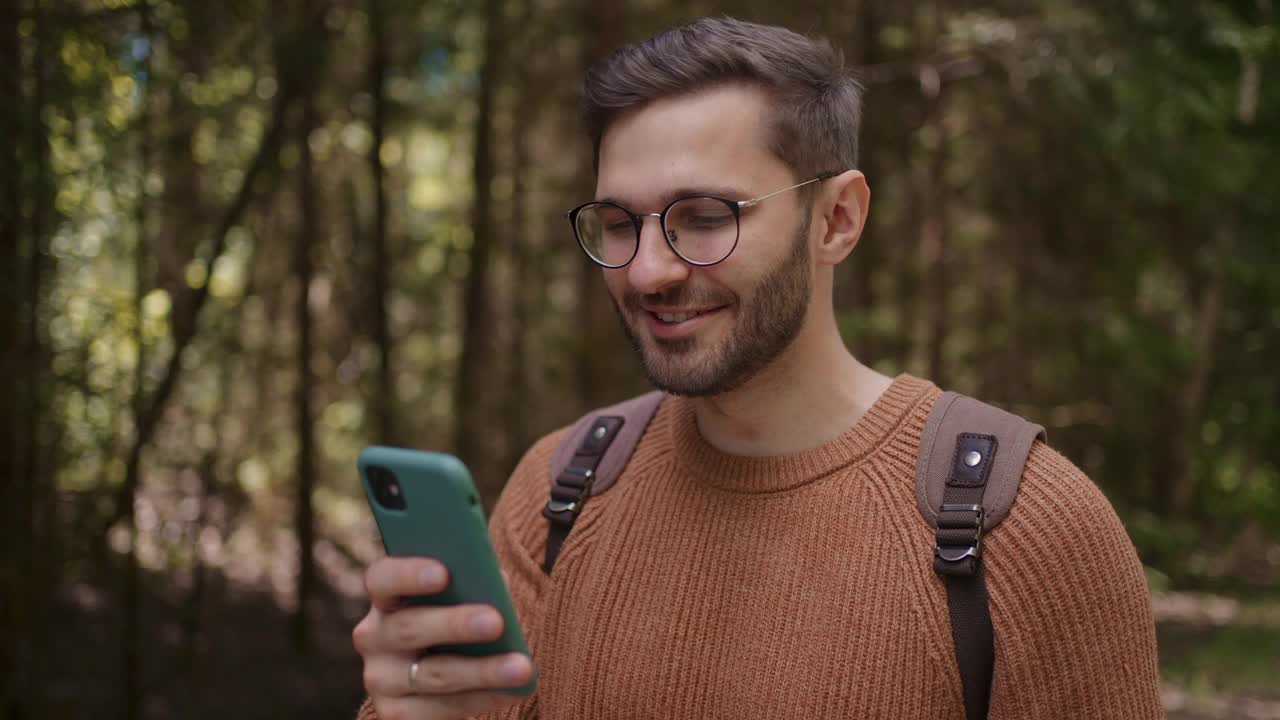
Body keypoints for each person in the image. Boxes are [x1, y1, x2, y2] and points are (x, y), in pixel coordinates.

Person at [351, 17, 1163, 720]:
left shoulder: (1030, 525)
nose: (647, 273)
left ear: (837, 219)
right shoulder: (560, 491)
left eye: (704, 219)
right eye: (619, 223)